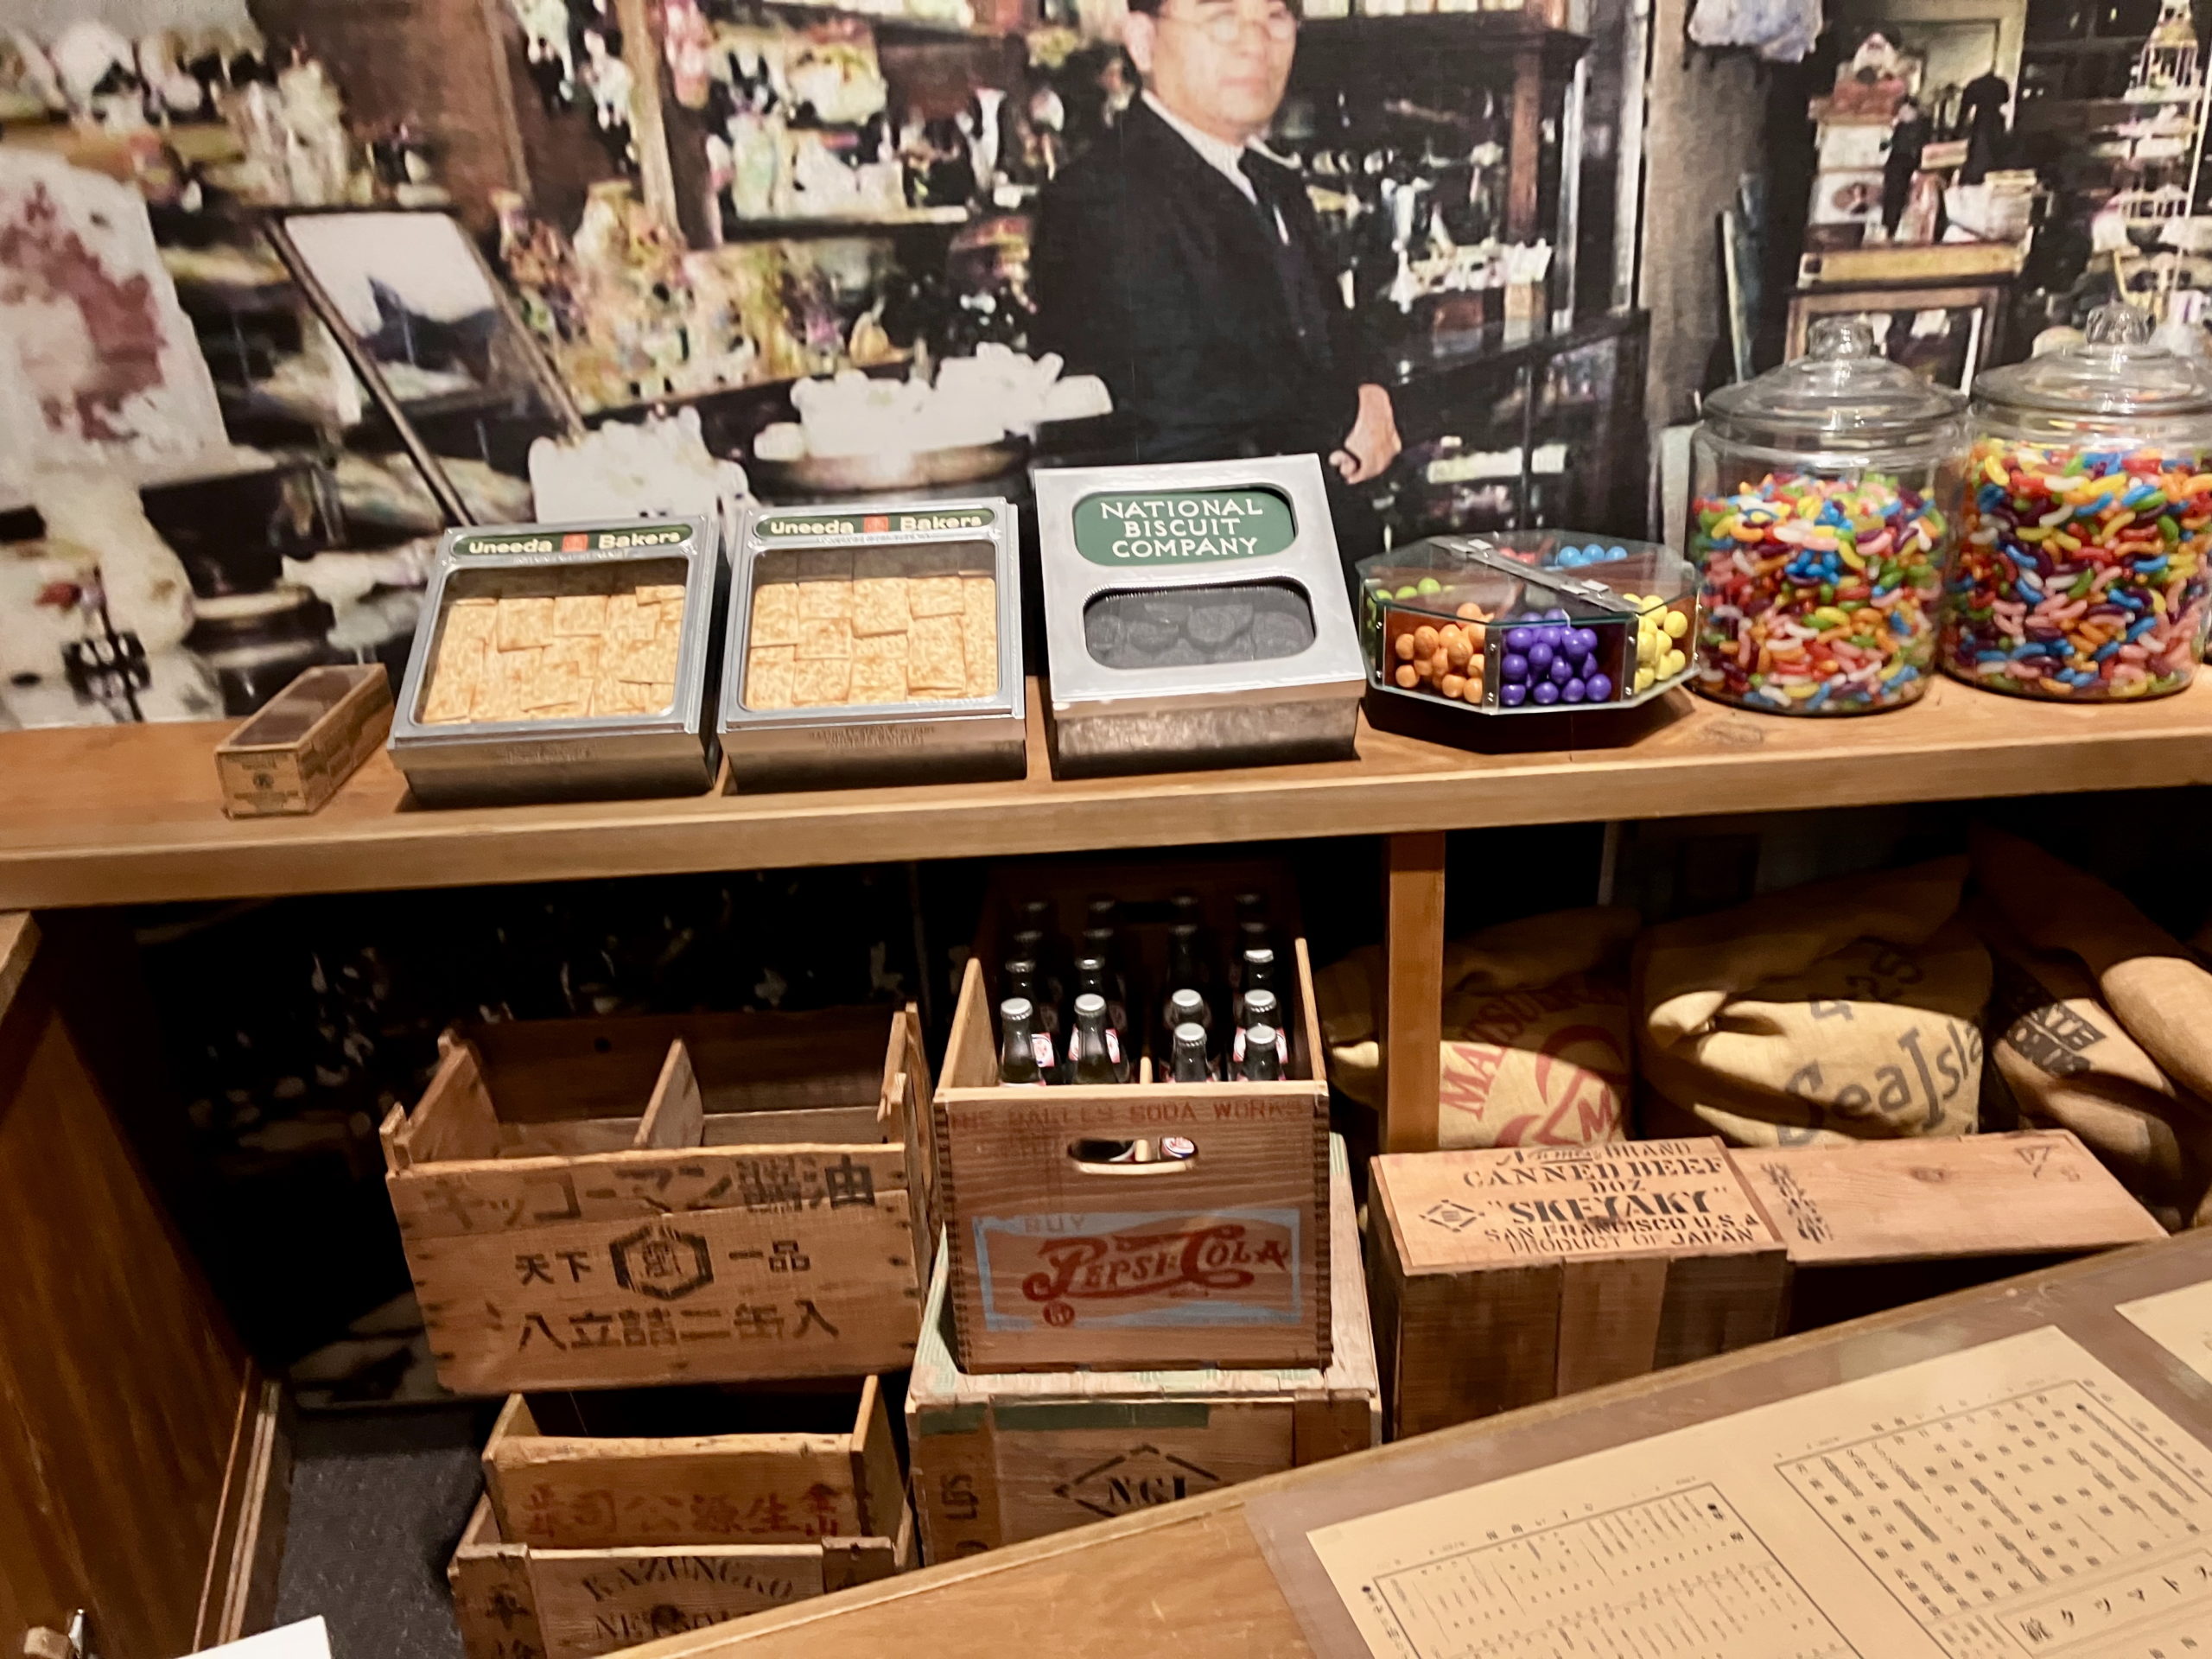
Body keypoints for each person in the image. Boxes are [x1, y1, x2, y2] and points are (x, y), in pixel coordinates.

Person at [1030, 0, 1400, 558]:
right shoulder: (1100, 192)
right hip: (1194, 567)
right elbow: (1170, 378)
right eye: (1221, 19)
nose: (1254, 43)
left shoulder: (1274, 182)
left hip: (1308, 550)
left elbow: (1326, 329)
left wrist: (1369, 388)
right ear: (1144, 42)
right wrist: (1340, 414)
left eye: (1275, 18)